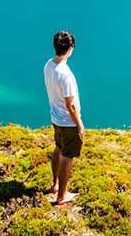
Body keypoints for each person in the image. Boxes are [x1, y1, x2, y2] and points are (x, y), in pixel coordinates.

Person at [43, 29, 84, 206]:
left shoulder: (48, 65)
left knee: (58, 149)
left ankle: (55, 186)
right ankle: (62, 196)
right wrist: (79, 124)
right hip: (68, 122)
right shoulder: (65, 74)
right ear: (70, 49)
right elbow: (71, 105)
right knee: (68, 156)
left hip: (55, 119)